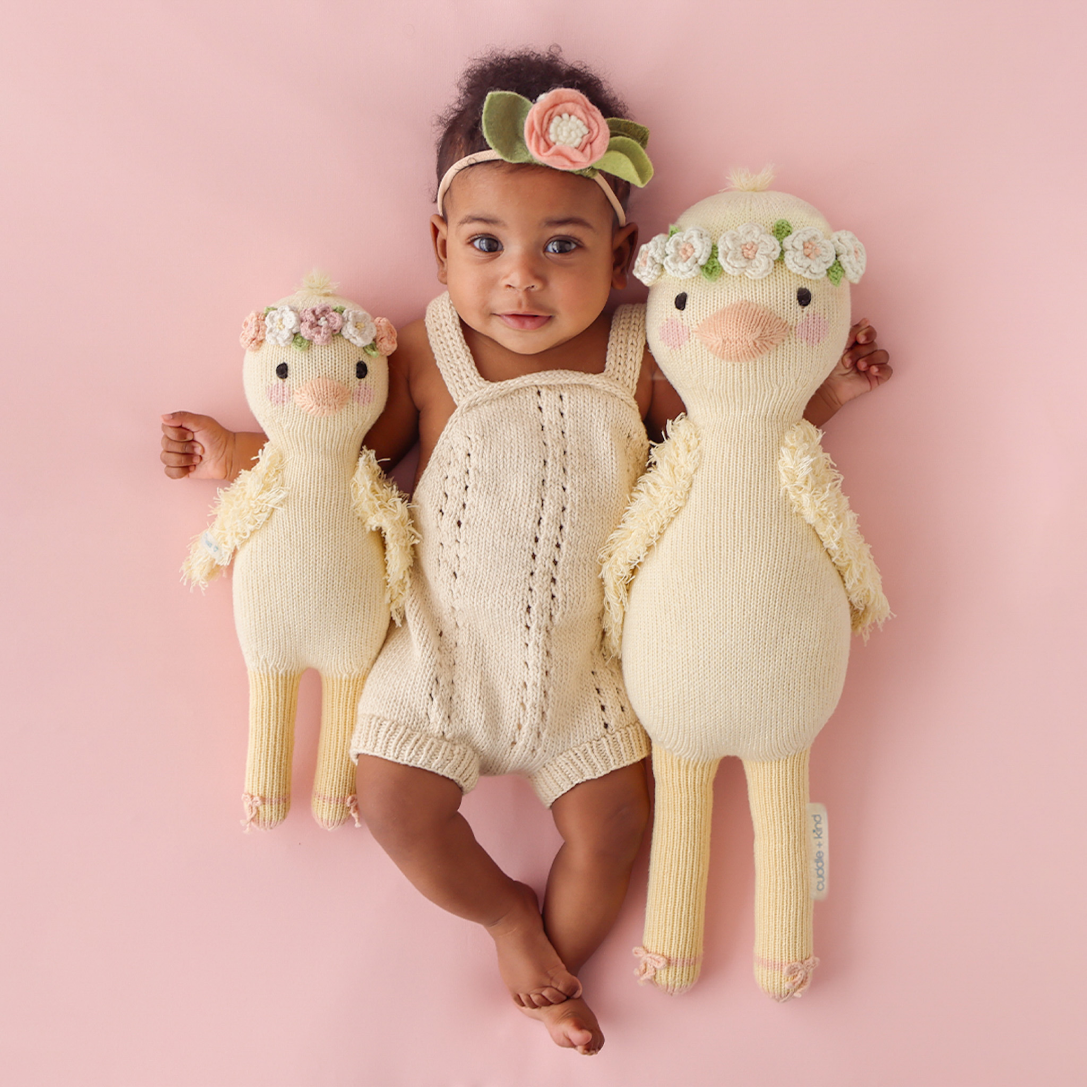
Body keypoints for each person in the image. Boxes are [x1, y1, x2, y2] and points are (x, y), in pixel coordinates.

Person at [161, 48, 891, 1055]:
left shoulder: (641, 356)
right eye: (487, 243)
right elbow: (335, 459)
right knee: (391, 801)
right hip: (436, 662)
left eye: (560, 245)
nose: (521, 277)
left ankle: (554, 960)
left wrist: (828, 397)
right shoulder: (422, 353)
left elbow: (739, 432)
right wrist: (232, 454)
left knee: (618, 828)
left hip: (582, 680)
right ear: (438, 245)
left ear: (620, 248)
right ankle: (506, 914)